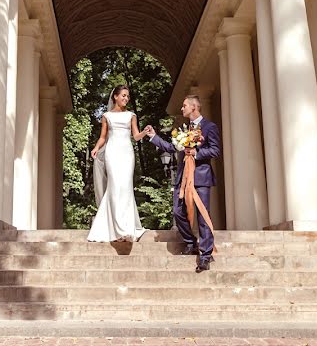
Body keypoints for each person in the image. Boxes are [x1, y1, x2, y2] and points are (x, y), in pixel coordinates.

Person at [145, 95, 221, 273]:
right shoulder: (183, 129)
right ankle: (190, 242)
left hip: (201, 177)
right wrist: (153, 136)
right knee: (178, 212)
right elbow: (172, 148)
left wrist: (196, 153)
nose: (182, 108)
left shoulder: (210, 127)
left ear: (194, 107)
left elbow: (215, 150)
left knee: (203, 216)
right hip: (183, 178)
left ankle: (205, 255)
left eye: (184, 105)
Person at [87, 85, 150, 242]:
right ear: (115, 97)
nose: (126, 98)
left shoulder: (131, 115)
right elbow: (103, 137)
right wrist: (95, 148)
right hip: (112, 152)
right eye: (123, 95)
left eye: (127, 96)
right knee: (114, 186)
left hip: (127, 153)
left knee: (126, 187)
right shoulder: (106, 116)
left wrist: (144, 132)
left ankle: (127, 228)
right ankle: (116, 229)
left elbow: (135, 136)